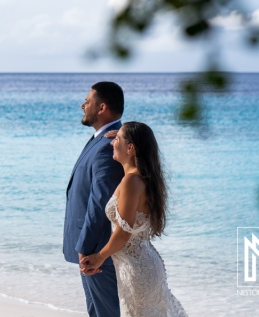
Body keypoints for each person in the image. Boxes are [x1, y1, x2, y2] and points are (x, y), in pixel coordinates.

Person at [80, 122, 188, 317]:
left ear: (130, 148)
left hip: (136, 270)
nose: (112, 143)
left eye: (117, 140)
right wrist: (122, 134)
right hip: (142, 264)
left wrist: (99, 257)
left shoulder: (131, 181)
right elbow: (139, 137)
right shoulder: (142, 179)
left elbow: (123, 233)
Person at [63, 81, 124, 317]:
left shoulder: (108, 144)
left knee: (105, 312)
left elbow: (100, 203)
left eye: (87, 101)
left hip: (95, 249)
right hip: (90, 247)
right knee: (96, 310)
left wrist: (87, 248)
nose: (82, 105)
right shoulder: (102, 138)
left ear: (102, 108)